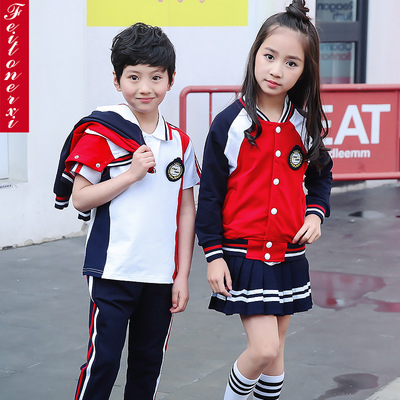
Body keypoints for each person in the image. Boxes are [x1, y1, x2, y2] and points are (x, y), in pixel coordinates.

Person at [54, 23, 200, 400]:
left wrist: (182, 275)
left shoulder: (180, 143)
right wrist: (131, 175)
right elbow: (81, 198)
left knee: (148, 365)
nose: (145, 88)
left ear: (171, 80)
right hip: (113, 271)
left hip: (160, 276)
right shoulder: (102, 133)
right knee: (103, 362)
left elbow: (186, 210)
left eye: (156, 77)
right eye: (133, 77)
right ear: (117, 81)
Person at [195, 1, 333, 399]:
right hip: (244, 255)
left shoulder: (303, 125)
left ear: (305, 71)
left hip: (289, 255)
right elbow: (210, 195)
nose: (276, 70)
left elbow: (321, 175)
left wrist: (315, 214)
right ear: (255, 54)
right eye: (269, 56)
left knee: (277, 353)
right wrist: (213, 255)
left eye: (291, 63)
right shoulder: (230, 124)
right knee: (264, 348)